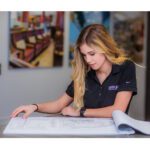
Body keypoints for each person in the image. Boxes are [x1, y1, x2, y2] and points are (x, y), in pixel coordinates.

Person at [11, 24, 137, 119]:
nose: (88, 60)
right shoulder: (85, 74)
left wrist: (80, 112)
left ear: (105, 47)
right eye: (84, 55)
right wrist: (34, 106)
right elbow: (59, 104)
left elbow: (118, 110)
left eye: (92, 53)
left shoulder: (126, 67)